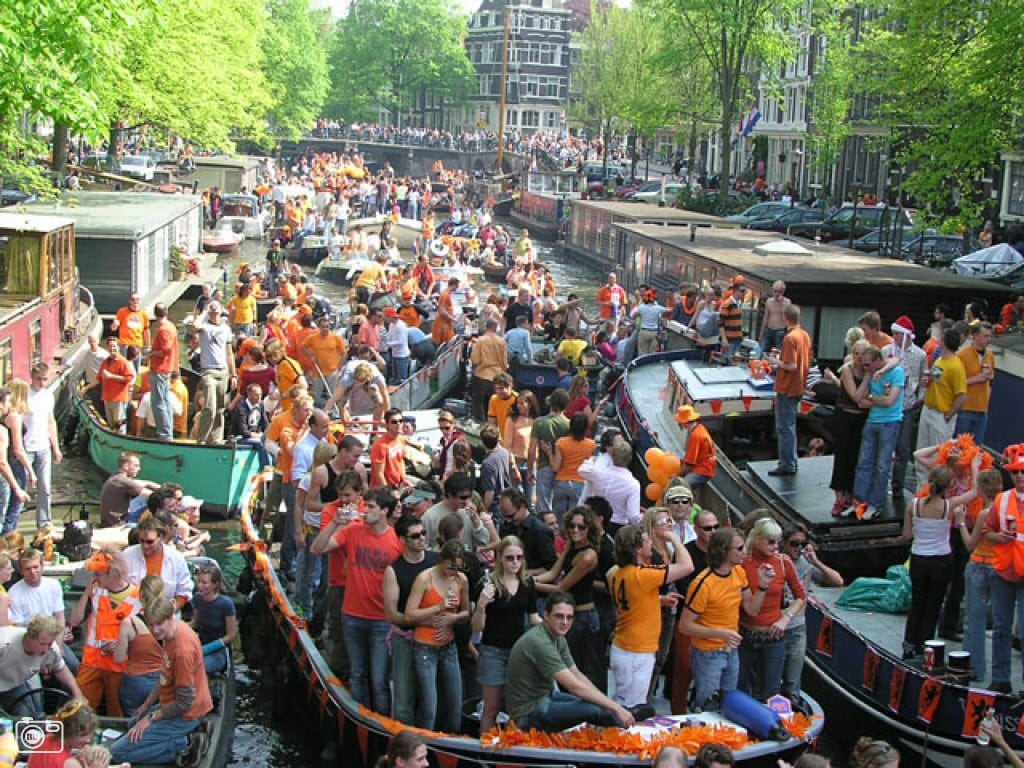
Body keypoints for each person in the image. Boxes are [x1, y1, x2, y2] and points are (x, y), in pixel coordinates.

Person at [311, 487, 403, 714]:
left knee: (379, 679)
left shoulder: (396, 542)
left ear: (384, 511)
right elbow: (317, 548)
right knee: (358, 674)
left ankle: (381, 723)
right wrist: (334, 523)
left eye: (371, 507)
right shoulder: (352, 531)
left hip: (381, 619)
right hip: (352, 614)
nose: (366, 510)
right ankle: (359, 718)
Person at [505, 592, 635, 731]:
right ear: (546, 615)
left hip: (546, 698)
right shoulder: (539, 642)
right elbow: (574, 686)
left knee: (599, 706)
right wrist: (616, 708)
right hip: (528, 713)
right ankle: (627, 728)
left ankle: (627, 720)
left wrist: (610, 705)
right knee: (594, 710)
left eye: (569, 617)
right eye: (559, 616)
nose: (565, 622)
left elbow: (578, 675)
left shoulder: (558, 637)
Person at [108, 596, 213, 766]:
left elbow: (184, 703)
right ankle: (193, 730)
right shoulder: (171, 633)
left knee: (117, 753)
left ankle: (185, 744)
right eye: (151, 625)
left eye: (159, 624)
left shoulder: (182, 651)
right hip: (174, 704)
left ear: (170, 617)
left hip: (186, 712)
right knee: (133, 723)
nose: (155, 630)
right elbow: (164, 675)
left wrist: (151, 718)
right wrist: (146, 705)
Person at [679, 528, 772, 711]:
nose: (744, 552)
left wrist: (762, 586)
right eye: (739, 548)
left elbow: (752, 609)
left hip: (731, 649)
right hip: (708, 653)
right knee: (708, 705)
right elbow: (685, 626)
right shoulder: (703, 584)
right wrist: (720, 633)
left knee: (729, 702)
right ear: (723, 551)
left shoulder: (738, 572)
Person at [607, 524, 692, 711]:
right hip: (636, 651)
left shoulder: (615, 572)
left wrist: (657, 599)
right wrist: (675, 539)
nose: (650, 544)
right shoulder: (643, 575)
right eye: (647, 541)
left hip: (624, 645)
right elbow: (687, 566)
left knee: (623, 700)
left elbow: (631, 597)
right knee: (631, 708)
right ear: (637, 549)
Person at [898, 465, 966, 659]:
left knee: (917, 602)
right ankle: (926, 647)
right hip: (941, 560)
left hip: (918, 559)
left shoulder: (914, 504)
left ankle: (909, 646)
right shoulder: (949, 506)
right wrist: (976, 467)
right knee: (933, 604)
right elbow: (976, 492)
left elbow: (906, 534)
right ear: (949, 486)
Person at [473, 536, 539, 731]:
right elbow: (477, 628)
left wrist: (555, 629)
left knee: (517, 709)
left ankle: (511, 749)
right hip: (493, 650)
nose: (516, 562)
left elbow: (533, 616)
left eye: (519, 557)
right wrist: (482, 605)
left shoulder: (527, 584)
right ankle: (486, 753)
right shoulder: (488, 585)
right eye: (510, 558)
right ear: (500, 558)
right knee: (491, 708)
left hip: (519, 651)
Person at [404, 540, 469, 732]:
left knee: (455, 702)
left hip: (448, 646)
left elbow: (466, 612)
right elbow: (409, 615)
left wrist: (453, 617)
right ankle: (425, 745)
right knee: (429, 705)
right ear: (441, 561)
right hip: (425, 647)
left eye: (459, 567)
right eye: (450, 567)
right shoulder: (425, 579)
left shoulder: (461, 580)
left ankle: (453, 745)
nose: (454, 571)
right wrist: (438, 608)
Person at [534, 506, 602, 689]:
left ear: (590, 529)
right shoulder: (571, 546)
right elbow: (552, 573)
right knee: (567, 671)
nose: (575, 530)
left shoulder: (588, 556)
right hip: (570, 616)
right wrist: (528, 579)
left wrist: (527, 585)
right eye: (572, 525)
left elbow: (561, 588)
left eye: (582, 527)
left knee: (585, 673)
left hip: (584, 618)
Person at [738, 517, 805, 700]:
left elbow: (801, 596)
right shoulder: (742, 563)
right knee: (741, 689)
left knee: (771, 692)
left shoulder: (784, 562)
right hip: (745, 634)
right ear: (758, 538)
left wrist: (785, 619)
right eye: (771, 541)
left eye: (778, 542)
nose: (776, 546)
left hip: (773, 636)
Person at [69, 550, 141, 717]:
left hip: (120, 664)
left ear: (114, 574)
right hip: (92, 662)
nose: (95, 577)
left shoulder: (139, 597)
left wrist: (120, 645)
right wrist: (86, 593)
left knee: (117, 712)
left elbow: (146, 637)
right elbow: (74, 621)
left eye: (99, 574)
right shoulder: (95, 592)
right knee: (79, 711)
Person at [382, 515, 437, 726]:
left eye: (424, 533)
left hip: (434, 638)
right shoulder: (394, 570)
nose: (422, 538)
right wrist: (416, 620)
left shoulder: (435, 560)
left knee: (431, 696)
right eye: (416, 536)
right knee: (404, 695)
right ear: (403, 540)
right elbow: (391, 614)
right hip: (406, 638)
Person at [780, 526, 843, 702]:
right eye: (794, 543)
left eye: (803, 544)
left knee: (793, 681)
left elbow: (838, 581)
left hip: (797, 627)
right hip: (776, 626)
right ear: (783, 543)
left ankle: (793, 709)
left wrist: (816, 562)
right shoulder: (776, 562)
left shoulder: (806, 563)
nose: (798, 548)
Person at [981, 443, 1024, 693]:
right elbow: (987, 531)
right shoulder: (1002, 499)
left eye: (1023, 472)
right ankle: (1000, 678)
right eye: (1016, 472)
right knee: (1000, 627)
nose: (1019, 477)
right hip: (1003, 571)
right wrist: (1001, 537)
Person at [847, 345, 904, 520]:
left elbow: (889, 401)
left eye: (868, 365)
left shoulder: (896, 372)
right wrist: (869, 384)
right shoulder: (871, 374)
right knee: (864, 463)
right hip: (872, 421)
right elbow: (859, 401)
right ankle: (859, 502)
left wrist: (872, 398)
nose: (866, 368)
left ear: (878, 361)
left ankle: (875, 503)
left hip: (890, 422)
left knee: (882, 465)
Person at [0, 615, 83, 716]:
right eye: (42, 644)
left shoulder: (52, 650)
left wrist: (76, 692)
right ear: (29, 637)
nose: (46, 649)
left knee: (25, 716)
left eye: (50, 644)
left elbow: (60, 669)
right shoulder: (4, 642)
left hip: (13, 686)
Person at [767, 305, 811, 476]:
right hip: (798, 386)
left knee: (784, 427)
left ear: (785, 318)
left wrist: (773, 361)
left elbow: (791, 365)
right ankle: (791, 461)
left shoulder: (789, 338)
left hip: (787, 387)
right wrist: (780, 354)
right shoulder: (804, 335)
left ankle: (787, 464)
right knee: (790, 425)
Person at [113, 574, 165, 716]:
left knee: (133, 723)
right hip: (162, 681)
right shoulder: (169, 622)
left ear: (140, 595)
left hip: (135, 682)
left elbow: (118, 658)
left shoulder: (130, 623)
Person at [123, 515, 195, 609]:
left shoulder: (176, 558)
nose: (145, 546)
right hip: (133, 612)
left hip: (166, 614)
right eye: (142, 541)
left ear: (160, 537)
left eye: (150, 542)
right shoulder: (127, 555)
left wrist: (172, 609)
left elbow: (185, 589)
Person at [193, 301, 237, 444]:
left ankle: (216, 438)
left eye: (216, 308)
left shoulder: (226, 329)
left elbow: (229, 353)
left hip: (223, 371)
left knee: (219, 409)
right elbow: (195, 325)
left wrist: (233, 374)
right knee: (210, 408)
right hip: (209, 371)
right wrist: (205, 311)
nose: (214, 311)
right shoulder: (204, 327)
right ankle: (201, 439)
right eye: (212, 309)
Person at [24, 364, 62, 526]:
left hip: (43, 446)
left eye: (45, 379)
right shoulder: (24, 395)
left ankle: (44, 522)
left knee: (45, 487)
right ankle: (11, 520)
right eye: (39, 379)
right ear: (32, 377)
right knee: (21, 485)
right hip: (26, 447)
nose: (42, 383)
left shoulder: (48, 396)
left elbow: (50, 421)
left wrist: (56, 446)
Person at [190, 566, 236, 676]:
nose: (199, 586)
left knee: (195, 667)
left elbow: (231, 635)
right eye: (199, 582)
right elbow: (194, 623)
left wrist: (208, 649)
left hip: (218, 652)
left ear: (215, 585)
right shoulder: (197, 598)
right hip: (200, 645)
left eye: (204, 583)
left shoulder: (226, 604)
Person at [955, 322, 995, 440]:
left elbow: (991, 380)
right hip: (965, 409)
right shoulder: (962, 356)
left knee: (976, 447)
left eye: (989, 336)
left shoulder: (990, 356)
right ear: (975, 336)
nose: (988, 339)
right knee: (960, 446)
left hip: (982, 410)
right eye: (985, 336)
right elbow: (957, 383)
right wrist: (977, 379)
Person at [550, 413, 595, 519]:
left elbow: (555, 467)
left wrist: (548, 453)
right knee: (575, 519)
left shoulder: (561, 443)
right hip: (580, 484)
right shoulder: (591, 445)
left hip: (562, 482)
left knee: (559, 518)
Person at [675, 405, 716, 490]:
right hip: (707, 467)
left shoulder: (695, 436)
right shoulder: (700, 428)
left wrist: (676, 476)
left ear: (684, 423)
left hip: (703, 471)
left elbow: (689, 465)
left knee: (681, 487)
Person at [98, 338, 134, 432]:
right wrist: (86, 389)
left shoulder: (123, 362)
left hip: (118, 398)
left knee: (119, 424)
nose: (112, 348)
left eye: (114, 346)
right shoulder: (106, 361)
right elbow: (99, 378)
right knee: (111, 424)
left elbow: (129, 378)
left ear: (118, 347)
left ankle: (122, 441)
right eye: (110, 346)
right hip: (107, 397)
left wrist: (111, 376)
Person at [111, 293, 150, 368]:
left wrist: (148, 346)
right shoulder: (122, 312)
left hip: (137, 345)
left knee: (136, 367)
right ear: (129, 301)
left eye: (137, 299)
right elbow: (113, 329)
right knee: (125, 366)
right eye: (133, 299)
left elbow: (146, 330)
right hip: (125, 344)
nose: (135, 301)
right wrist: (114, 324)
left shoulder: (143, 314)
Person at [759, 281, 791, 355]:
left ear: (783, 292)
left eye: (779, 292)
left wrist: (781, 304)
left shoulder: (787, 302)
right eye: (775, 291)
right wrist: (761, 334)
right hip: (769, 330)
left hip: (780, 331)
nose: (777, 294)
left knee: (778, 353)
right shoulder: (769, 301)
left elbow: (786, 319)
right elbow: (766, 318)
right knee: (762, 352)